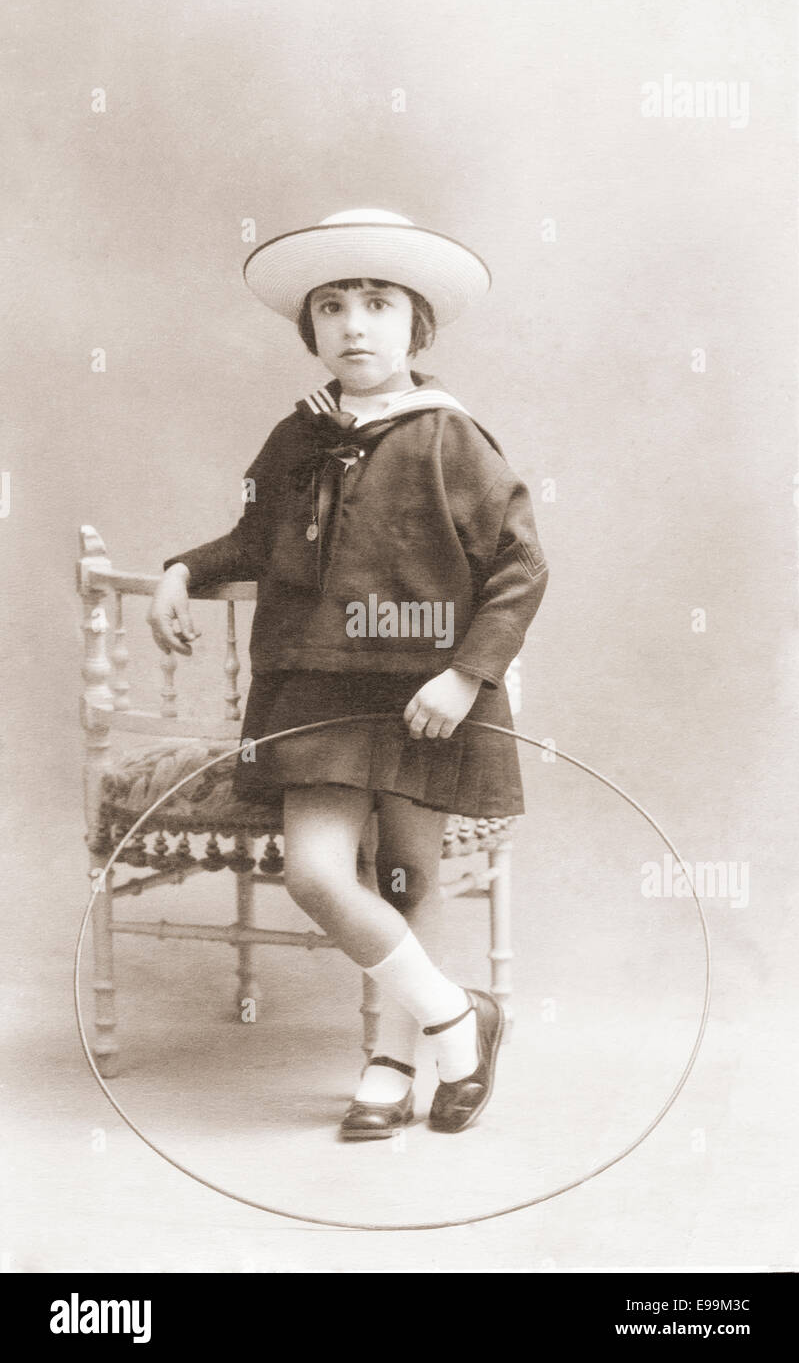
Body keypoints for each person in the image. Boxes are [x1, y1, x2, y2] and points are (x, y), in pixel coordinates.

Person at [148, 208, 549, 1140]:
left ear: (418, 326)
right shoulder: (297, 438)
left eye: (377, 304)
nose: (355, 325)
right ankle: (462, 1022)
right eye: (332, 307)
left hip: (423, 693)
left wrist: (463, 677)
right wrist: (183, 567)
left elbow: (520, 572)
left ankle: (392, 1061)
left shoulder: (452, 439)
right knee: (320, 872)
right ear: (312, 330)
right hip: (318, 687)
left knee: (408, 875)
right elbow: (256, 538)